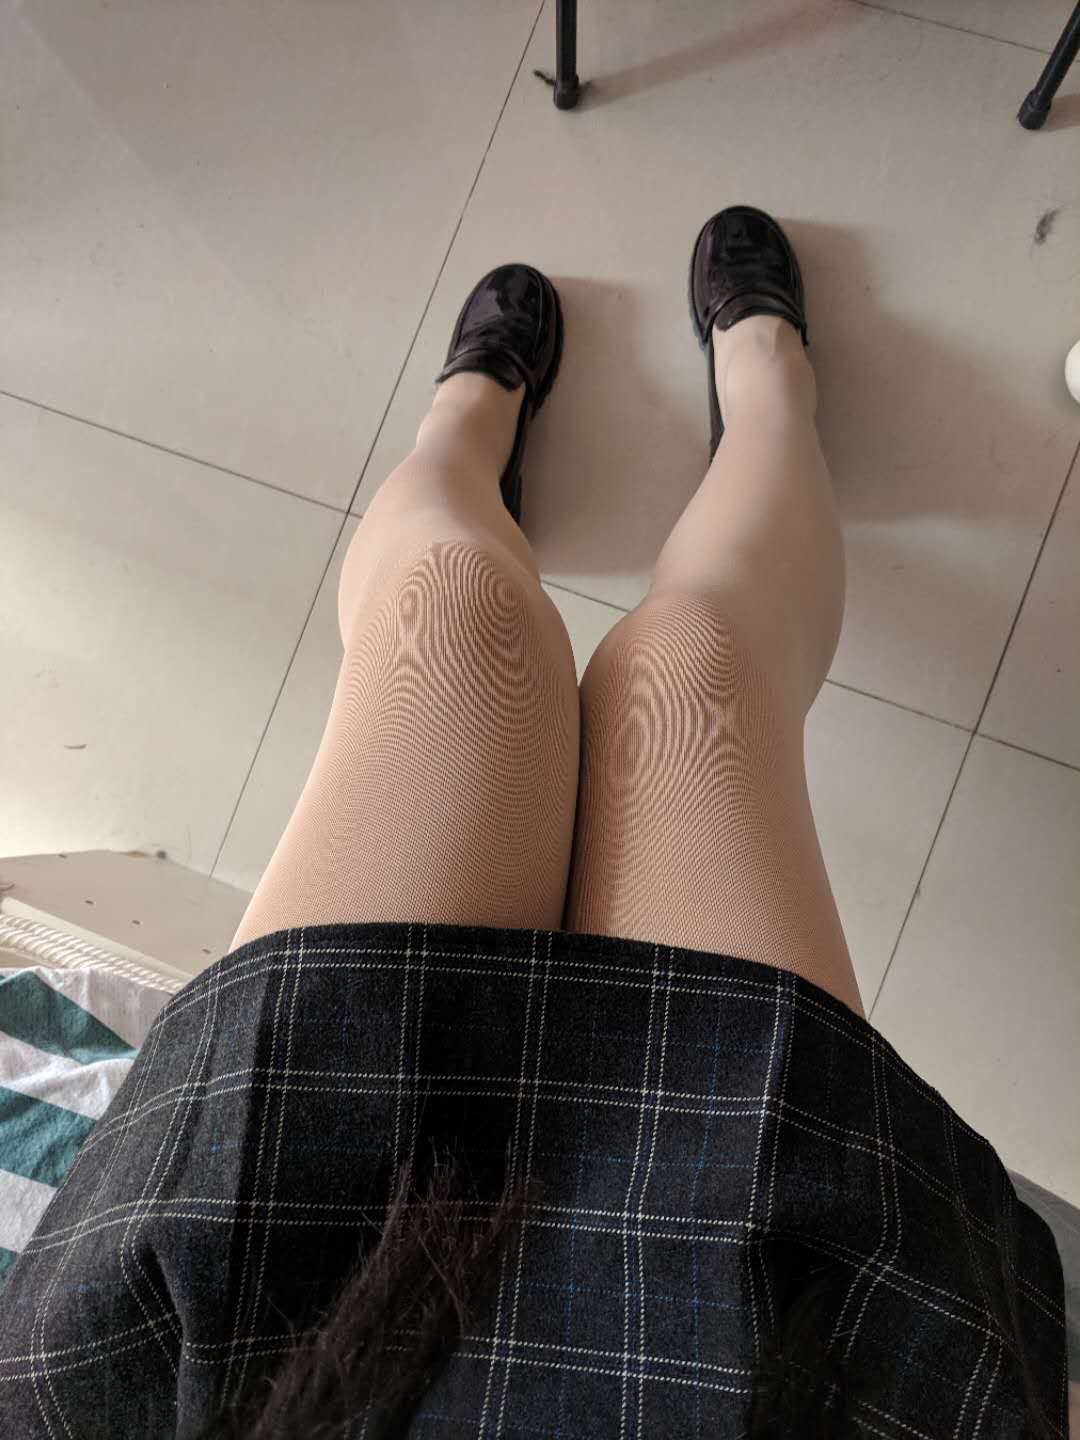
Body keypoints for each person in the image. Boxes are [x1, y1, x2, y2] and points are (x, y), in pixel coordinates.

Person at [0, 209, 1067, 1438]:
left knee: (457, 619)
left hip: (272, 1333)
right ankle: (772, 404)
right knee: (691, 670)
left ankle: (465, 425)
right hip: (755, 1359)